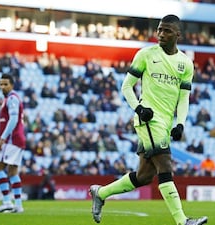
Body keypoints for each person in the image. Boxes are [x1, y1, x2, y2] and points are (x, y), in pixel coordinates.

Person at [89, 15, 207, 225]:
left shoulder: (186, 64)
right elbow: (126, 86)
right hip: (148, 119)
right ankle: (182, 221)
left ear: (178, 35)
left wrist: (180, 123)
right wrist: (139, 108)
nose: (161, 34)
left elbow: (184, 97)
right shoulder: (145, 55)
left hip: (165, 122)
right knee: (165, 164)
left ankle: (101, 193)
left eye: (167, 31)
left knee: (144, 176)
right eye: (159, 30)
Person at [0, 73, 26, 213]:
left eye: (6, 84)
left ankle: (7, 202)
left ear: (12, 85)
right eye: (1, 84)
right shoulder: (11, 98)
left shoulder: (12, 98)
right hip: (18, 139)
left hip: (12, 140)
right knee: (12, 171)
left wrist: (2, 138)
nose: (3, 87)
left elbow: (13, 119)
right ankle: (18, 205)